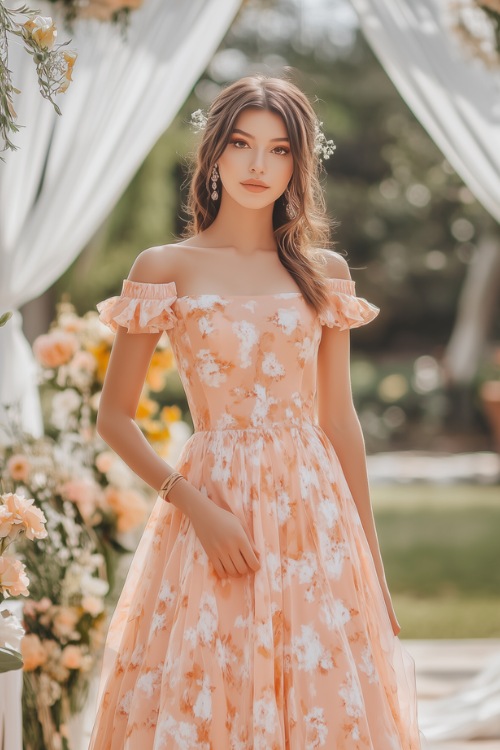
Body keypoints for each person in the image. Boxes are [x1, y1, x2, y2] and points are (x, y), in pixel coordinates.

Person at [88, 74, 424, 749]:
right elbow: (115, 417)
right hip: (213, 502)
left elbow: (338, 420)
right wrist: (195, 505)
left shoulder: (322, 272)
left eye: (278, 150)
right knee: (210, 679)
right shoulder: (165, 267)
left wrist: (371, 567)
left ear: (299, 164)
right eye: (242, 144)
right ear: (214, 153)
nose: (257, 165)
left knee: (317, 687)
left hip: (311, 515)